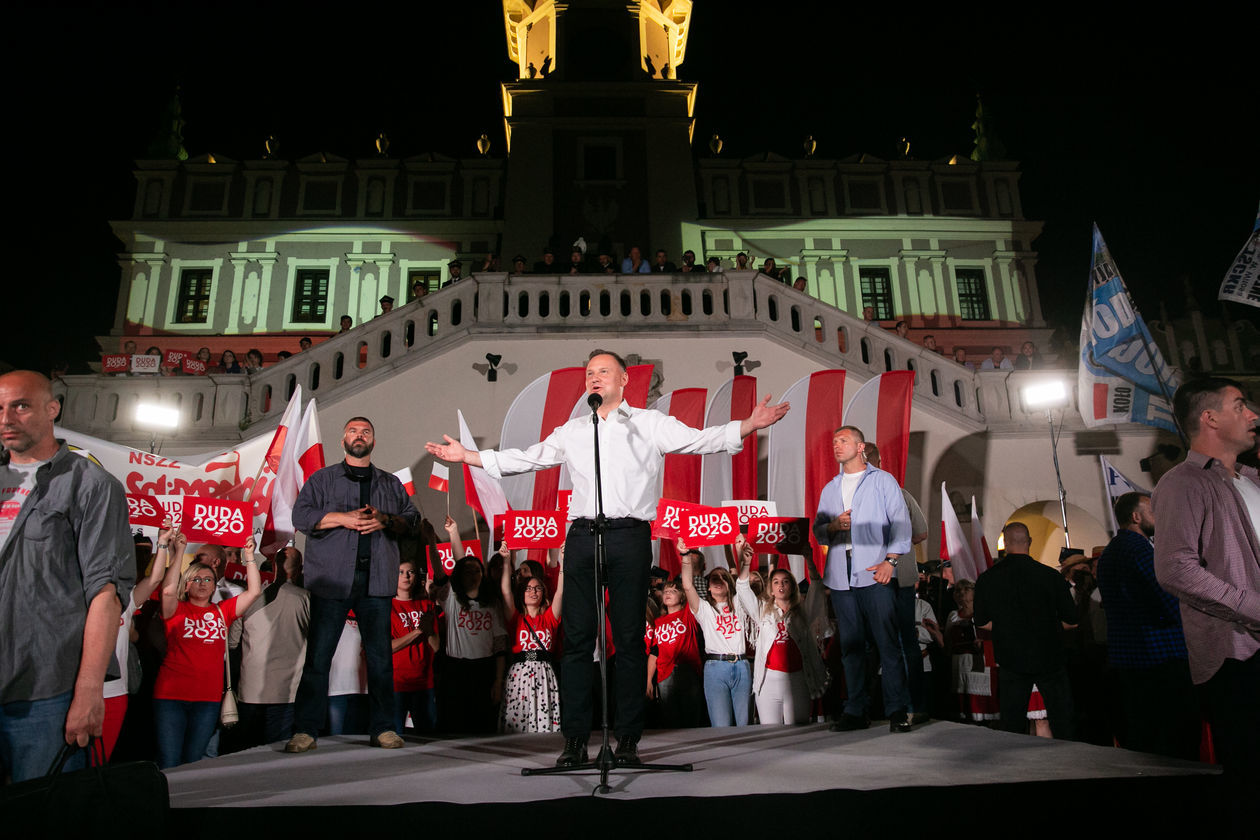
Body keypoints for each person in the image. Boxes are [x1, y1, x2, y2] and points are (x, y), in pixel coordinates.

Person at [426, 349, 790, 767]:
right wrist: (469, 458)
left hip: (630, 535)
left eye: (603, 372)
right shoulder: (574, 430)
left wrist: (747, 426)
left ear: (624, 381)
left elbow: (697, 439)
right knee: (578, 641)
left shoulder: (649, 424)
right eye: (589, 374)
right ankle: (576, 740)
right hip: (582, 535)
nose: (594, 379)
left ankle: (629, 739)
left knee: (630, 640)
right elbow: (527, 458)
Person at [0, 371, 135, 782]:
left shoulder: (91, 484)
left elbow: (106, 594)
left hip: (45, 693)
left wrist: (90, 690)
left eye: (20, 406)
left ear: (52, 408)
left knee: (43, 817)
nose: (6, 418)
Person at [1153, 378, 1260, 800]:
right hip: (1238, 658)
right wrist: (1253, 607)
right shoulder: (1183, 483)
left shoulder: (1250, 479)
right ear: (1210, 418)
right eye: (1240, 406)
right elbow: (1176, 569)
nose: (1253, 415)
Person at [285, 416, 419, 753]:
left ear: (374, 440)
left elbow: (413, 521)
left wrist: (384, 520)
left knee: (379, 660)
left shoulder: (389, 483)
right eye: (353, 431)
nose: (359, 436)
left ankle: (384, 728)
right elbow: (301, 517)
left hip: (376, 583)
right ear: (343, 438)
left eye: (366, 432)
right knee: (318, 659)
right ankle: (306, 730)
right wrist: (341, 518)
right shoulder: (322, 479)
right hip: (332, 582)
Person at [814, 426, 913, 732]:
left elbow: (900, 523)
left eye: (843, 441)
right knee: (851, 648)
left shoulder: (882, 480)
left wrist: (890, 561)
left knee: (887, 644)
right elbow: (819, 531)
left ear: (861, 447)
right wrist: (833, 525)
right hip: (842, 578)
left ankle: (898, 711)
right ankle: (856, 711)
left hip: (875, 573)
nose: (836, 445)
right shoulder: (830, 488)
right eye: (833, 442)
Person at [153, 536, 261, 768]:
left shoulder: (223, 611)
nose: (203, 583)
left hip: (207, 700)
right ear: (187, 584)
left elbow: (253, 592)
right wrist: (179, 552)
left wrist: (250, 557)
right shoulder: (177, 610)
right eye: (196, 579)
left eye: (208, 579)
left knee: (193, 763)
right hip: (171, 697)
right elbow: (168, 592)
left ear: (215, 585)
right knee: (170, 762)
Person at [973, 522, 1078, 739]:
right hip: (1050, 655)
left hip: (1011, 657)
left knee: (1012, 722)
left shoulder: (988, 579)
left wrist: (1008, 626)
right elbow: (1072, 621)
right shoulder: (1050, 576)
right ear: (1029, 542)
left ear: (1005, 543)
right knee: (1061, 718)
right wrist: (1047, 626)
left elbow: (982, 622)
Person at [863, 442, 930, 721]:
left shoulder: (901, 495)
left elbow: (921, 532)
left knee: (903, 642)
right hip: (867, 580)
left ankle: (913, 706)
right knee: (871, 644)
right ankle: (873, 707)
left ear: (879, 461)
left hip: (897, 579)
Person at [432, 518, 506, 735]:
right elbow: (444, 568)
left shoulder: (492, 605)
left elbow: (500, 645)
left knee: (483, 726)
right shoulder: (452, 599)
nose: (473, 575)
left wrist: (498, 681)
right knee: (456, 725)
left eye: (477, 571)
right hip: (456, 669)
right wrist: (452, 533)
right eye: (468, 572)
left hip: (484, 669)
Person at [234, 545, 310, 749]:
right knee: (275, 751)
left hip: (251, 688)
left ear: (273, 566)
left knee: (246, 750)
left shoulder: (249, 599)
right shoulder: (304, 598)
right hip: (286, 690)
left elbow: (232, 641)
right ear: (300, 568)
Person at [680, 534, 758, 726]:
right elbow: (687, 585)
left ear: (728, 585)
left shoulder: (738, 604)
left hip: (741, 665)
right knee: (721, 726)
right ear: (707, 588)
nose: (718, 580)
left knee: (744, 726)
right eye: (714, 578)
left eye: (723, 578)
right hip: (715, 667)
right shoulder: (704, 609)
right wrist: (685, 556)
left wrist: (743, 560)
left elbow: (743, 584)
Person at [498, 544, 565, 733]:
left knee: (543, 724)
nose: (533, 592)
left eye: (537, 588)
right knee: (519, 723)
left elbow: (560, 592)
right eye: (528, 588)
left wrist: (564, 561)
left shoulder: (549, 618)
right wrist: (505, 561)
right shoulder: (516, 618)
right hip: (519, 674)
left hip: (544, 674)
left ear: (543, 593)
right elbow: (505, 592)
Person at [752, 566, 828, 724]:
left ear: (793, 588)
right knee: (770, 734)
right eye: (776, 582)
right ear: (771, 590)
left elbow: (816, 585)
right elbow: (743, 590)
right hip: (768, 681)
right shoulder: (761, 611)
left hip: (798, 679)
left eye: (786, 582)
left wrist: (808, 560)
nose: (781, 585)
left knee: (797, 732)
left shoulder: (803, 613)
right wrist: (745, 563)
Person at [647, 577, 704, 727]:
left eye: (673, 591)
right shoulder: (659, 622)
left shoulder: (688, 615)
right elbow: (654, 653)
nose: (668, 593)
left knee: (690, 717)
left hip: (688, 670)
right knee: (670, 719)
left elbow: (689, 588)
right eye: (666, 591)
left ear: (682, 596)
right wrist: (648, 681)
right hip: (664, 674)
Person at [391, 557, 439, 734]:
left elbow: (436, 646)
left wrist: (428, 632)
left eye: (410, 572)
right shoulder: (387, 606)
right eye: (401, 572)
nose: (406, 576)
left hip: (424, 682)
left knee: (427, 738)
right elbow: (386, 648)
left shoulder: (426, 605)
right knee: (394, 736)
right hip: (397, 683)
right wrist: (417, 632)